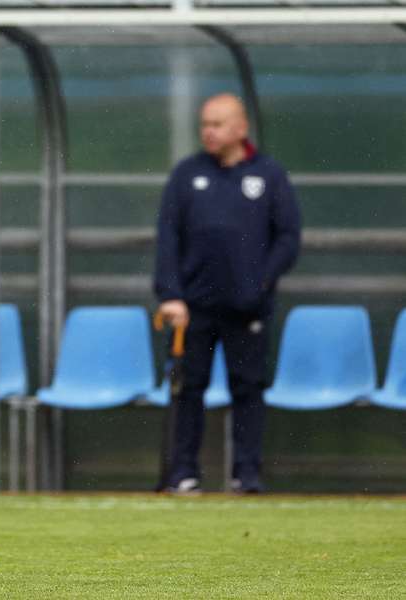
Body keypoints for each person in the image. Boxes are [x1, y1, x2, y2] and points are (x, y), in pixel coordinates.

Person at [154, 93, 301, 494]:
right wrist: (170, 294)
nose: (209, 132)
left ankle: (247, 474)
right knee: (188, 390)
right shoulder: (187, 174)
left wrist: (263, 282)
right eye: (204, 124)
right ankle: (183, 473)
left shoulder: (268, 175)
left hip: (247, 306)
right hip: (193, 308)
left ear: (240, 128)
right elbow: (167, 237)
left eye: (217, 124)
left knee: (248, 389)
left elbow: (288, 238)